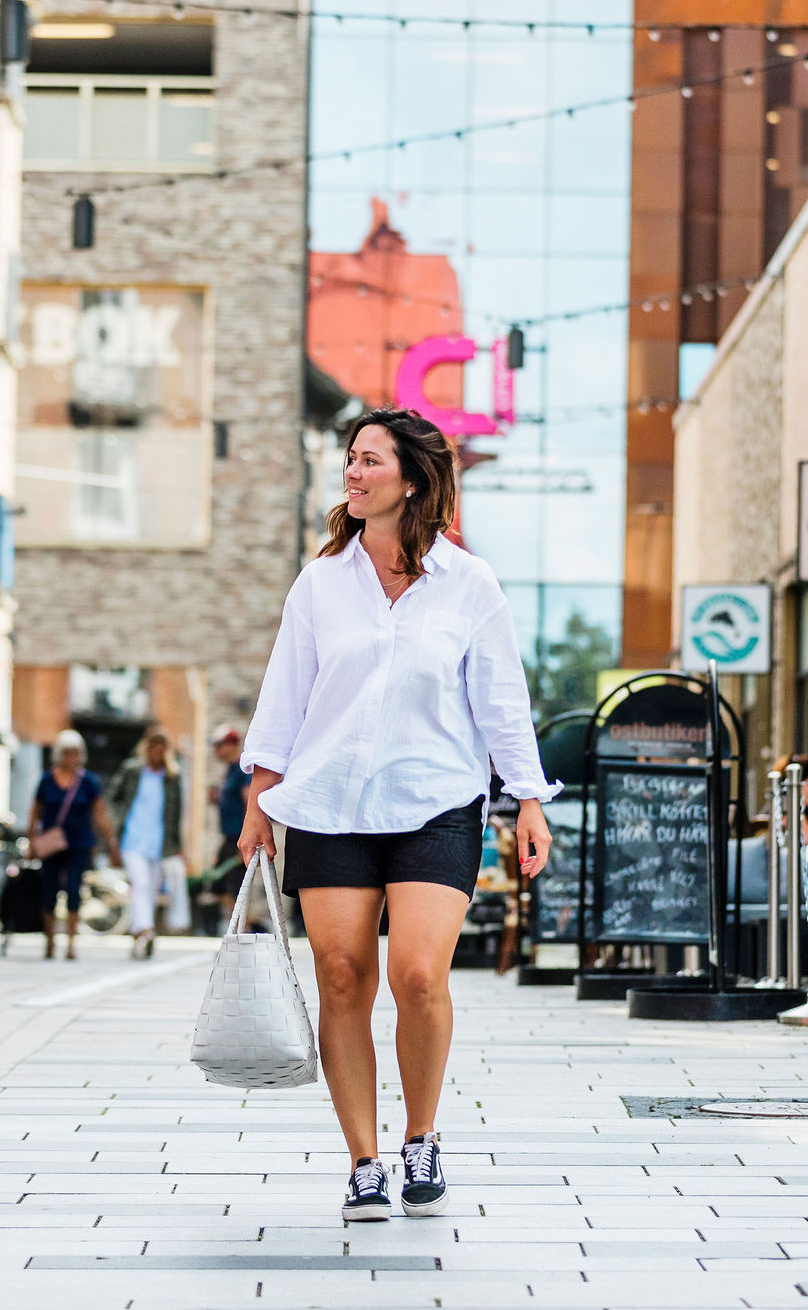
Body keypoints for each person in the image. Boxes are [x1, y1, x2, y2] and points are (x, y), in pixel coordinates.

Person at [239, 407, 555, 1224]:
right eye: (351, 458)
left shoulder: (470, 584)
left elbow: (501, 701)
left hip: (435, 803)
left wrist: (527, 797)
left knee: (418, 974)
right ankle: (364, 1161)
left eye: (370, 459)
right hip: (329, 805)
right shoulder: (320, 583)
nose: (353, 471)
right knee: (344, 976)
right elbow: (285, 696)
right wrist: (260, 800)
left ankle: (421, 1137)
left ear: (411, 480)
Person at [27, 729, 115, 960]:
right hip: (51, 845)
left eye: (75, 753)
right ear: (59, 754)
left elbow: (99, 813)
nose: (71, 758)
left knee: (74, 891)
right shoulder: (47, 780)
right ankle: (49, 940)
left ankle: (71, 943)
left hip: (79, 844)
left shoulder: (88, 782)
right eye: (67, 753)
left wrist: (110, 840)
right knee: (48, 891)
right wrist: (31, 840)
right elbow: (35, 811)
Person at [109, 726, 186, 958]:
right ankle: (147, 929)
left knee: (149, 891)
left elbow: (176, 813)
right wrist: (115, 829)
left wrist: (178, 846)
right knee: (141, 884)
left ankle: (139, 935)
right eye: (154, 749)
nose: (157, 754)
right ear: (147, 748)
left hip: (159, 843)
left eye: (162, 750)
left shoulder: (172, 777)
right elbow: (114, 797)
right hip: (132, 840)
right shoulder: (132, 771)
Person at [207, 724, 249, 928]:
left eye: (219, 745)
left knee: (235, 889)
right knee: (219, 887)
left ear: (231, 745)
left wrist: (246, 840)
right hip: (228, 837)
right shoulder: (230, 770)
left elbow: (249, 803)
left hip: (239, 837)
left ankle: (244, 930)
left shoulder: (243, 769)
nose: (216, 751)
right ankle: (250, 926)